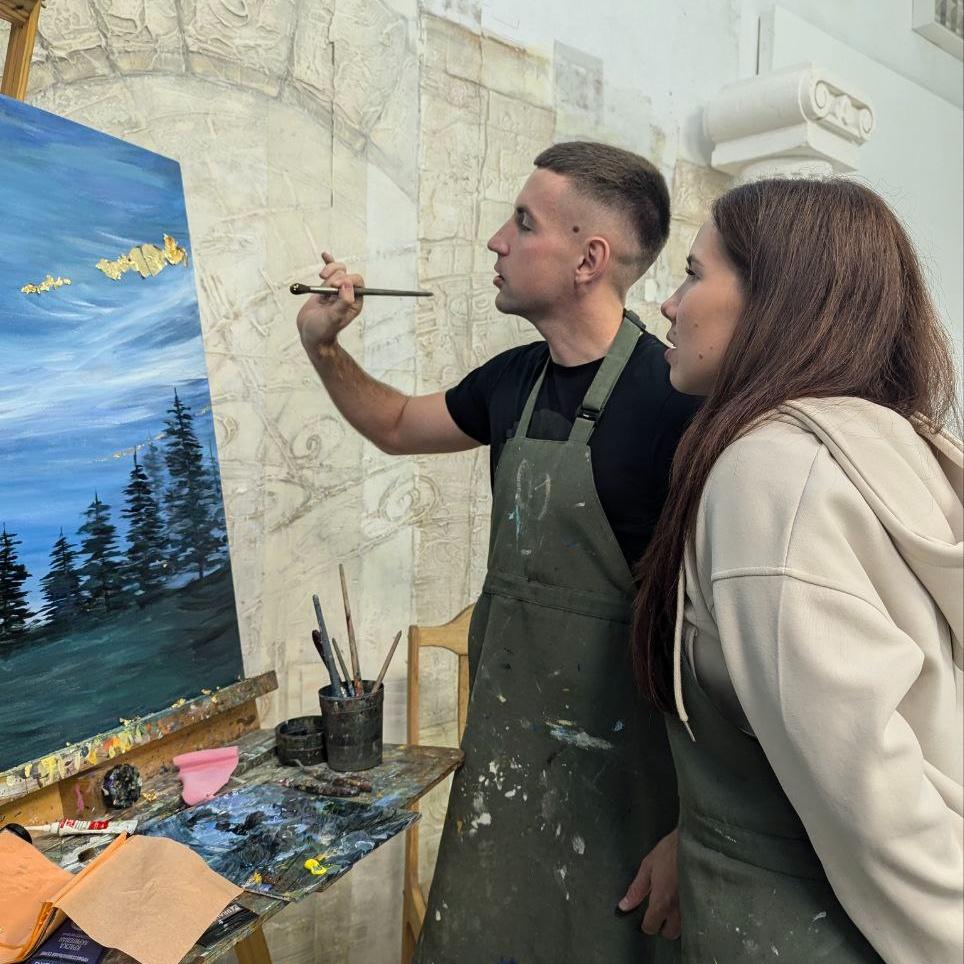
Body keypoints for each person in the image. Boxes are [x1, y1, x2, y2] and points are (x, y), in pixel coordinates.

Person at [296, 141, 700, 962]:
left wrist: (693, 834)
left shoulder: (675, 403)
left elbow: (716, 650)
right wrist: (323, 346)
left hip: (629, 802)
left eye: (523, 223)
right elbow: (396, 425)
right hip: (506, 769)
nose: (497, 241)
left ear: (589, 259)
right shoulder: (512, 380)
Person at [633, 176, 963, 963]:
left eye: (693, 273)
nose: (669, 304)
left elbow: (875, 801)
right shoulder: (888, 435)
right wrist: (704, 828)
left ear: (778, 299)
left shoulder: (771, 473)